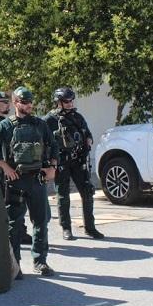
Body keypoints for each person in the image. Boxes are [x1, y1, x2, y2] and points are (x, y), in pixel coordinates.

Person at [0, 86, 58, 278]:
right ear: (16, 103)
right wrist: (5, 168)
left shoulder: (40, 125)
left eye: (30, 102)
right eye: (24, 102)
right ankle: (15, 265)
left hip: (37, 180)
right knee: (14, 225)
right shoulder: (5, 126)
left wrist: (52, 167)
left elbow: (54, 145)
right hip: (15, 181)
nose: (29, 105)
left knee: (41, 222)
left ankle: (40, 261)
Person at [44, 87, 104, 240]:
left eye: (71, 100)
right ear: (58, 102)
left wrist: (89, 139)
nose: (70, 103)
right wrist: (50, 162)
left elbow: (87, 133)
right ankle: (66, 228)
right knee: (63, 196)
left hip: (78, 161)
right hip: (62, 162)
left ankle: (90, 228)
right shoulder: (50, 120)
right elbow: (44, 141)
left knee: (87, 193)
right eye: (66, 101)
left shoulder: (77, 117)